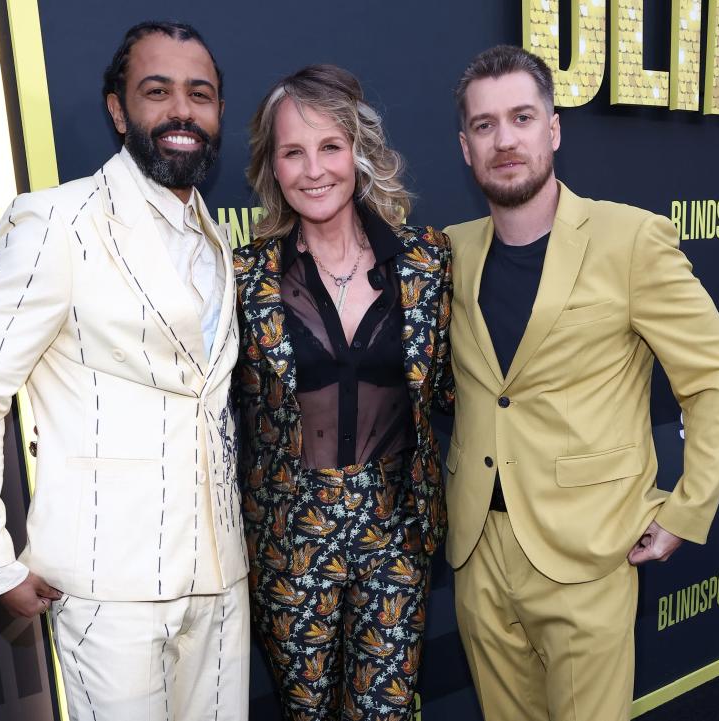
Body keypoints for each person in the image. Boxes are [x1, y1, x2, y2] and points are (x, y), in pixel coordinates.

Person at [0, 21, 249, 721]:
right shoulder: (56, 222)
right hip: (109, 588)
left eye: (200, 94)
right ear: (118, 108)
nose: (181, 111)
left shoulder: (215, 237)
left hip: (223, 577)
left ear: (219, 112)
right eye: (156, 91)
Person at [443, 45, 719, 721]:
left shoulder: (630, 239)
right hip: (477, 554)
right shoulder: (449, 252)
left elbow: (714, 377)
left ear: (552, 129)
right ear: (465, 148)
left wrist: (685, 509)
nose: (505, 139)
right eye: (484, 125)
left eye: (521, 117)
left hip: (587, 549)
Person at [233, 64, 452, 721]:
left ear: (359, 152)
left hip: (397, 535)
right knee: (306, 713)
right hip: (289, 541)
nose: (313, 169)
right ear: (271, 167)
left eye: (329, 146)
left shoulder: (425, 262)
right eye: (292, 152)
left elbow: (455, 388)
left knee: (385, 712)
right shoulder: (245, 277)